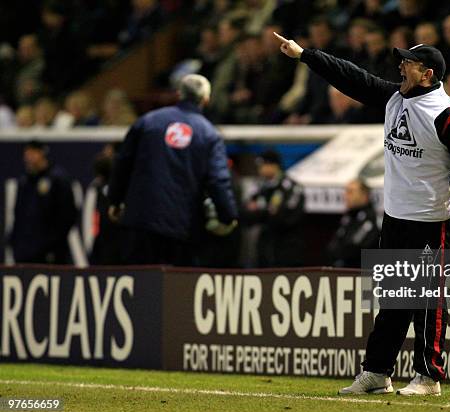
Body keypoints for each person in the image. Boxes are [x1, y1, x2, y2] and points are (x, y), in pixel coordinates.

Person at [274, 33, 450, 396]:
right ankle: (377, 372)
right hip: (396, 215)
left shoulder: (447, 115)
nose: (400, 66)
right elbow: (351, 76)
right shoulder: (394, 97)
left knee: (426, 300)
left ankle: (429, 376)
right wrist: (305, 54)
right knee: (392, 297)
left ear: (428, 74)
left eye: (408, 63)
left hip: (431, 219)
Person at [107, 74, 238, 266]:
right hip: (182, 227)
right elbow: (218, 180)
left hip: (140, 222)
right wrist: (228, 216)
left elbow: (123, 163)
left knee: (141, 288)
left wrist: (115, 200)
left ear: (179, 94)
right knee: (175, 290)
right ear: (206, 99)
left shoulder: (147, 122)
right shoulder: (209, 134)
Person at [10, 141, 77, 264]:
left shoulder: (58, 179)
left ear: (41, 153)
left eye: (32, 153)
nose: (27, 158)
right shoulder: (24, 181)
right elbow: (18, 213)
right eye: (26, 154)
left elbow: (68, 215)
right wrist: (13, 242)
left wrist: (53, 246)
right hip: (24, 253)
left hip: (50, 253)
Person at [242, 150, 305, 267]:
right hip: (265, 248)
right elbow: (246, 214)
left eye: (263, 165)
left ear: (274, 165)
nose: (260, 169)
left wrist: (262, 211)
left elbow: (284, 218)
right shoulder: (262, 187)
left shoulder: (291, 187)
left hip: (287, 250)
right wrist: (268, 211)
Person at [326, 179, 379, 268]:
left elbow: (354, 247)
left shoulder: (370, 220)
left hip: (361, 273)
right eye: (346, 191)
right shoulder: (349, 217)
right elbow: (334, 245)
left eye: (351, 192)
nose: (346, 195)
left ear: (364, 195)